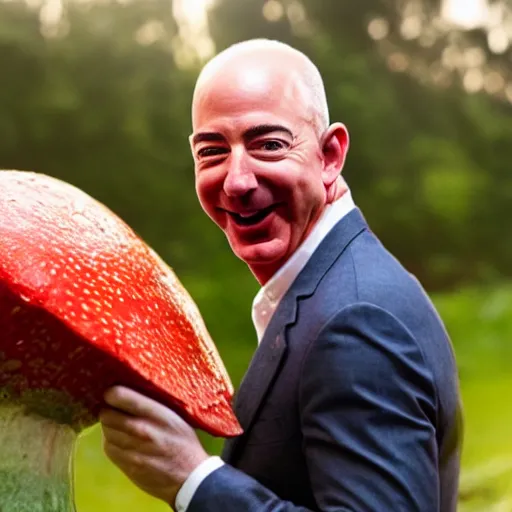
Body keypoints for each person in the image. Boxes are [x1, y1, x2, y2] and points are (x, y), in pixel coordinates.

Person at [99, 39, 463, 511]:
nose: (237, 181)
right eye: (212, 152)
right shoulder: (329, 288)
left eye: (268, 145)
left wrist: (195, 479)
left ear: (330, 155)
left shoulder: (357, 321)